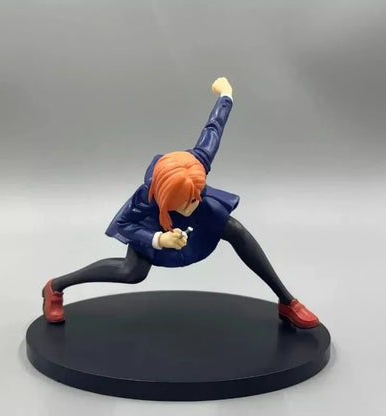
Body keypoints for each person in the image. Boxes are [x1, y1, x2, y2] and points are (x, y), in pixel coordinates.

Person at [42, 77, 319, 329]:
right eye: (186, 202)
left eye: (195, 197)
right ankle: (55, 287)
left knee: (236, 230)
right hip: (154, 225)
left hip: (192, 215)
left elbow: (214, 128)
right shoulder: (146, 197)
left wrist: (226, 95)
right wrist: (158, 239)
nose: (192, 205)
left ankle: (287, 301)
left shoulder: (197, 165)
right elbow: (122, 225)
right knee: (132, 272)